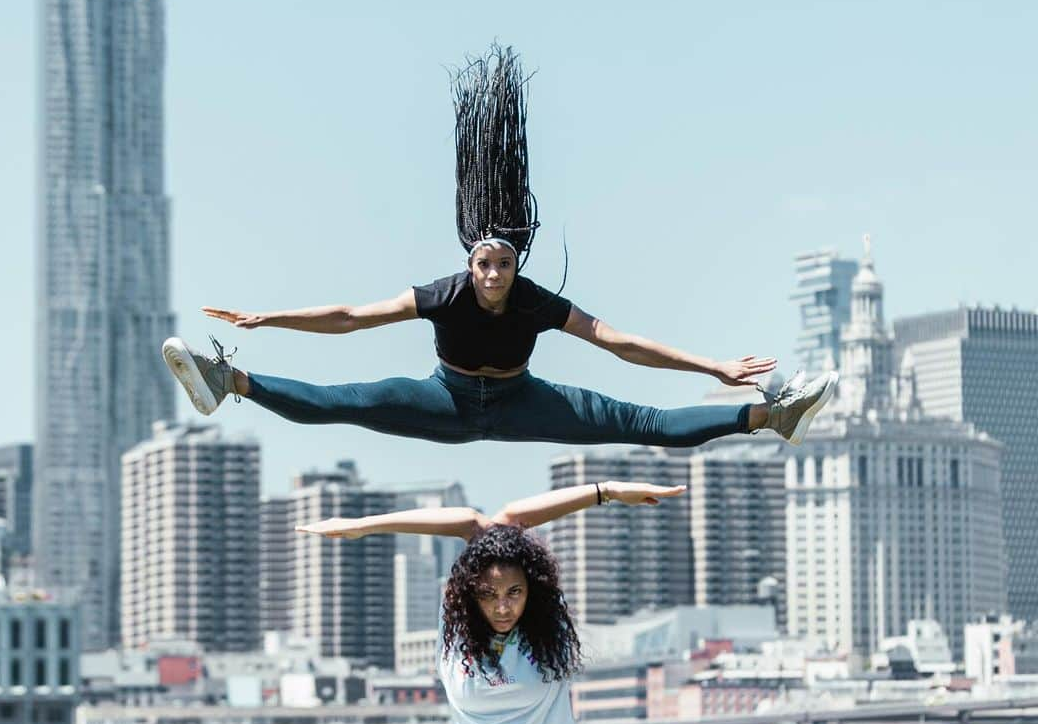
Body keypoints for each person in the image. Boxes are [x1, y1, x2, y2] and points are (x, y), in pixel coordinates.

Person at [121, 479, 881, 724]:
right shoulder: (453, 638)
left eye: (516, 592)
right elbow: (464, 526)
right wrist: (360, 526)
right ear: (466, 593)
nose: (504, 605)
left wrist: (609, 493)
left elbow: (511, 514)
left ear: (536, 591)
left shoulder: (548, 638)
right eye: (490, 595)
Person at [161, 47, 837, 451]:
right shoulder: (446, 294)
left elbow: (620, 343)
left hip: (522, 404)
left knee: (643, 424)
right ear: (469, 263)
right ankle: (227, 381)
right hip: (445, 402)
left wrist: (712, 365)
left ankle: (773, 417)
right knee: (349, 400)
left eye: (502, 266)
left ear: (517, 266)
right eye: (483, 265)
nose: (491, 275)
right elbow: (350, 318)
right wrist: (268, 320)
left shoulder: (534, 302)